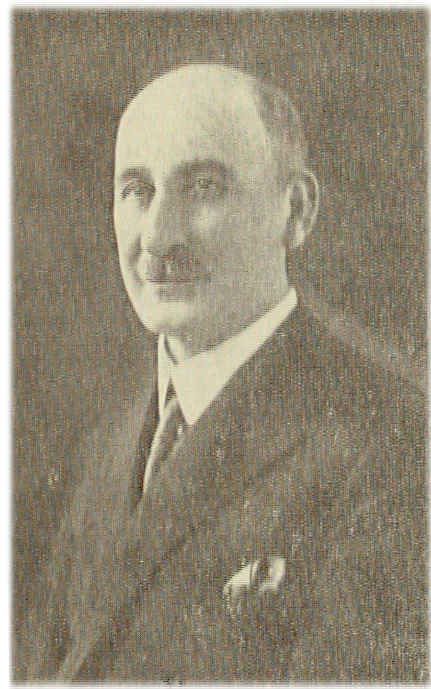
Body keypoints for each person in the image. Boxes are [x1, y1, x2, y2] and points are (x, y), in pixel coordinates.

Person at [24, 64, 429, 688]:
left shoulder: (391, 441)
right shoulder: (105, 452)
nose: (158, 236)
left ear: (295, 211)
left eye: (204, 187)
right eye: (136, 189)